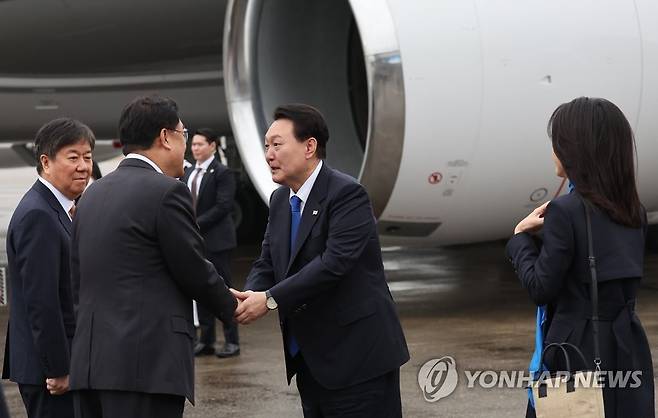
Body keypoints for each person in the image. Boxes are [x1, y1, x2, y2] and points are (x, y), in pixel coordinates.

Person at [232, 104, 409, 417]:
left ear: (309, 146)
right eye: (266, 146)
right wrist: (250, 294)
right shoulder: (280, 201)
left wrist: (270, 300)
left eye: (277, 144)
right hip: (311, 363)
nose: (268, 154)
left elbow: (334, 264)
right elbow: (268, 261)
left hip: (358, 362)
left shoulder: (347, 194)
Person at [68, 95, 237, 418]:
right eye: (183, 134)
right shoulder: (167, 191)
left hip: (91, 366)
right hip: (144, 367)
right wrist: (233, 306)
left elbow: (78, 279)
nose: (185, 145)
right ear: (165, 137)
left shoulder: (91, 195)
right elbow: (192, 269)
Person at [507, 97, 654, 417]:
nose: (553, 151)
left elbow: (540, 287)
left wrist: (520, 238)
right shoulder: (635, 212)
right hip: (626, 346)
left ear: (576, 151)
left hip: (575, 352)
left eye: (557, 143)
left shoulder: (566, 210)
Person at [3, 118, 95, 418]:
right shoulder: (38, 215)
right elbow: (42, 303)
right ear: (45, 161)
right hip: (50, 374)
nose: (83, 166)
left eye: (87, 157)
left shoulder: (61, 207)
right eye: (73, 157)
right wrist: (59, 369)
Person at [181, 128, 239, 358]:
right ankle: (206, 340)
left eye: (200, 144)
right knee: (200, 289)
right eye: (193, 145)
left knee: (224, 290)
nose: (195, 148)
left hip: (217, 241)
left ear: (213, 146)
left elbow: (224, 206)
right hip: (196, 242)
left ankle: (232, 340)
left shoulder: (222, 172)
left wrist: (193, 223)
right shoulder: (189, 173)